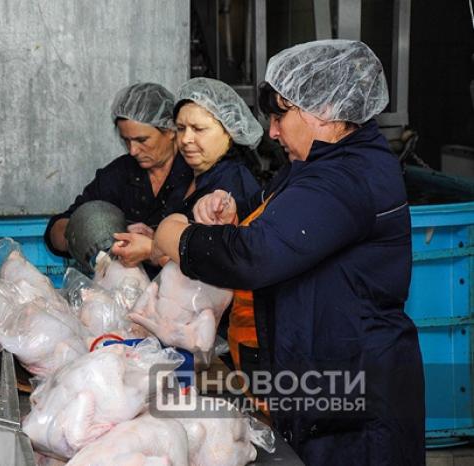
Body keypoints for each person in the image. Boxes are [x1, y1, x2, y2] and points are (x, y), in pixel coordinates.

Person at [152, 40, 425, 465]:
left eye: (280, 115)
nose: (273, 131)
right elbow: (273, 215)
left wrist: (176, 236)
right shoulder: (318, 165)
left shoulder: (345, 177)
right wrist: (228, 206)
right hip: (323, 382)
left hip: (356, 400)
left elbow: (254, 256)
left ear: (326, 109)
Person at [44, 82, 193, 277]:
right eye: (126, 140)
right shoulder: (120, 173)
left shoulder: (194, 173)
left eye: (141, 140)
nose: (133, 151)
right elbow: (58, 231)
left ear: (171, 130)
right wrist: (100, 235)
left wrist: (156, 243)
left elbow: (211, 249)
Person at [111, 77, 263, 269]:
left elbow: (221, 260)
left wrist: (152, 249)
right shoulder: (193, 175)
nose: (185, 139)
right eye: (181, 128)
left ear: (229, 131)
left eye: (198, 129)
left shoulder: (233, 184)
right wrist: (157, 236)